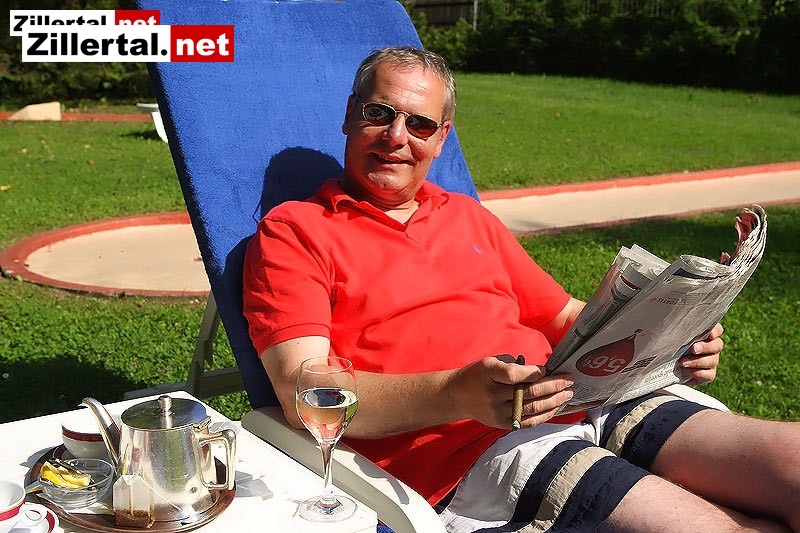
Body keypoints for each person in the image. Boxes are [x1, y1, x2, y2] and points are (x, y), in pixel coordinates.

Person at [242, 45, 800, 531]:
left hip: (587, 397)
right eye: (379, 113)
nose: (396, 137)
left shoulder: (467, 216)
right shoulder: (295, 231)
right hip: (474, 447)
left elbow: (566, 317)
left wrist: (670, 338)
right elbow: (302, 390)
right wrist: (454, 394)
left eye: (419, 124)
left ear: (441, 138)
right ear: (349, 115)